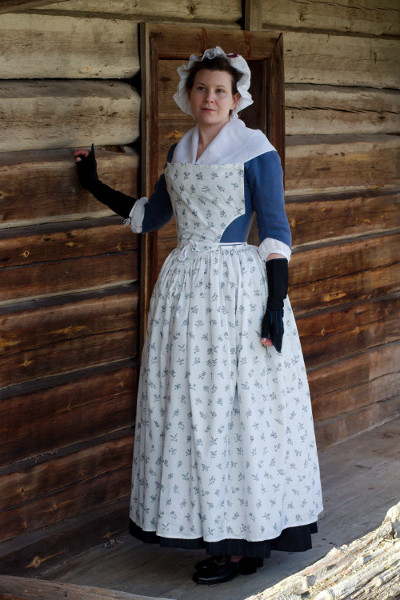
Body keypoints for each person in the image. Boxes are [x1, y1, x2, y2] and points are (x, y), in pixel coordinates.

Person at [74, 47, 323, 585]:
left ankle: (244, 541)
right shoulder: (180, 149)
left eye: (220, 91)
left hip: (237, 290)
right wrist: (95, 186)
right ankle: (220, 530)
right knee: (193, 408)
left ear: (237, 99)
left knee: (237, 410)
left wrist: (274, 306)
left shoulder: (257, 151)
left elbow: (276, 231)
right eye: (201, 89)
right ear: (188, 94)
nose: (209, 98)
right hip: (185, 294)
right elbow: (154, 216)